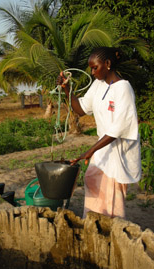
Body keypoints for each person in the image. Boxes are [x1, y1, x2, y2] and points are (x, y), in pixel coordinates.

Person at [57, 47, 141, 219]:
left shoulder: (123, 88)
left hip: (117, 151)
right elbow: (80, 109)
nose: (92, 72)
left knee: (111, 194)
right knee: (92, 180)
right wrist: (67, 88)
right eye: (91, 68)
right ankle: (93, 223)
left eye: (95, 67)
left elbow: (118, 129)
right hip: (102, 148)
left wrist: (90, 151)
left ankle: (111, 230)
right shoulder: (98, 85)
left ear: (108, 64)